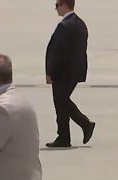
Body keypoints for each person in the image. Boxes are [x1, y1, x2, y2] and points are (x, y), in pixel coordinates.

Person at [45, 0, 95, 148]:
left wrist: (51, 72)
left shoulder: (64, 26)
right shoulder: (80, 23)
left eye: (57, 5)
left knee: (60, 102)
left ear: (64, 5)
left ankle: (82, 126)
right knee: (63, 101)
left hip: (63, 72)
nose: (55, 9)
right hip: (75, 71)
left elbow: (57, 52)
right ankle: (65, 135)